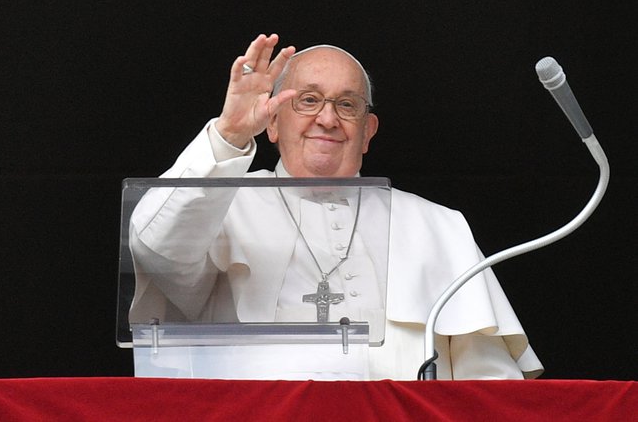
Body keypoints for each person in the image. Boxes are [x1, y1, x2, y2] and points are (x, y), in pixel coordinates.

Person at [128, 33, 543, 380]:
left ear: (367, 132)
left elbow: (489, 381)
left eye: (347, 105)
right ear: (272, 121)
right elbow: (157, 249)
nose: (327, 119)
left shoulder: (437, 225)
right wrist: (230, 133)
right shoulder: (222, 204)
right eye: (307, 100)